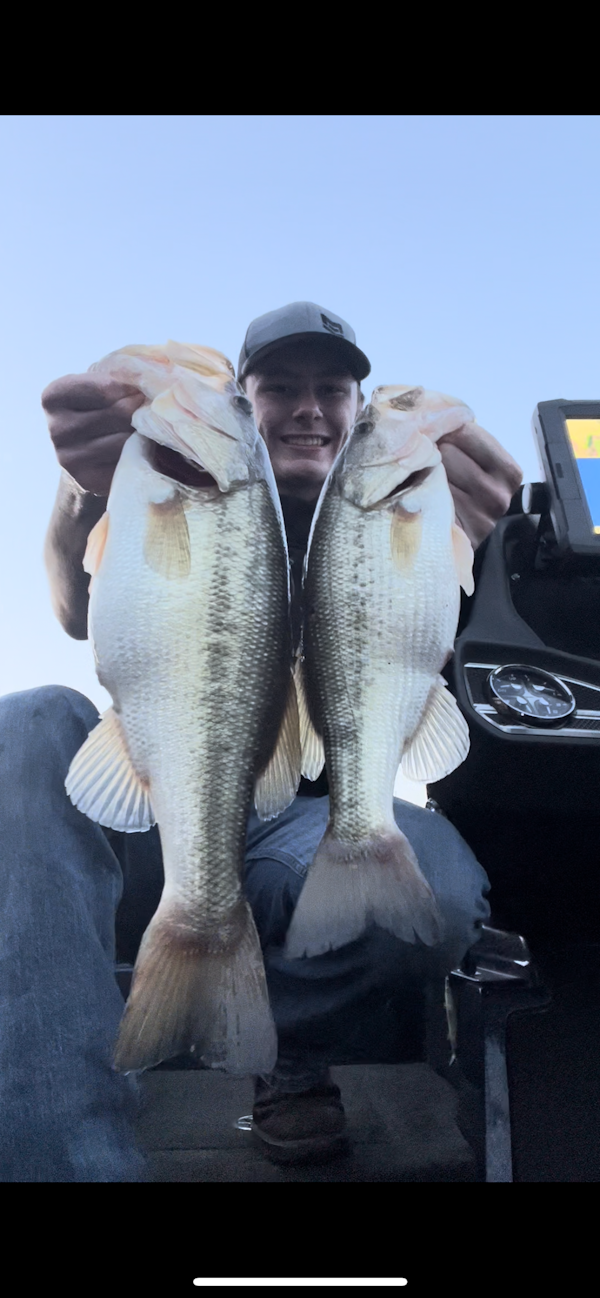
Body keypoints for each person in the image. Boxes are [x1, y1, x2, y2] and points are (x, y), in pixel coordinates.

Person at [0, 303, 522, 1180]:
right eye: (279, 388)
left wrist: (478, 543)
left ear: (356, 409)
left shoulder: (419, 507)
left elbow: (434, 649)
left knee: (431, 883)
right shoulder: (160, 482)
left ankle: (276, 1052)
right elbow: (73, 609)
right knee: (27, 725)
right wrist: (82, 490)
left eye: (333, 390)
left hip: (306, 822)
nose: (309, 408)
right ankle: (63, 1143)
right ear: (244, 403)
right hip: (162, 795)